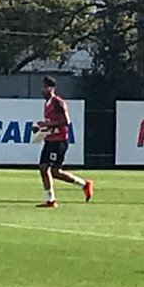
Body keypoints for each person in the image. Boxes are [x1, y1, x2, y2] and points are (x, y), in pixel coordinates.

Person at [34, 76, 94, 208]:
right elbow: (51, 124)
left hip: (59, 141)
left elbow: (66, 121)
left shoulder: (58, 102)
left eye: (44, 87)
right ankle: (51, 200)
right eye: (42, 87)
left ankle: (83, 184)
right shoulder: (47, 103)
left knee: (55, 171)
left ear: (51, 88)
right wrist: (40, 128)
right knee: (44, 169)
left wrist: (46, 125)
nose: (42, 90)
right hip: (50, 140)